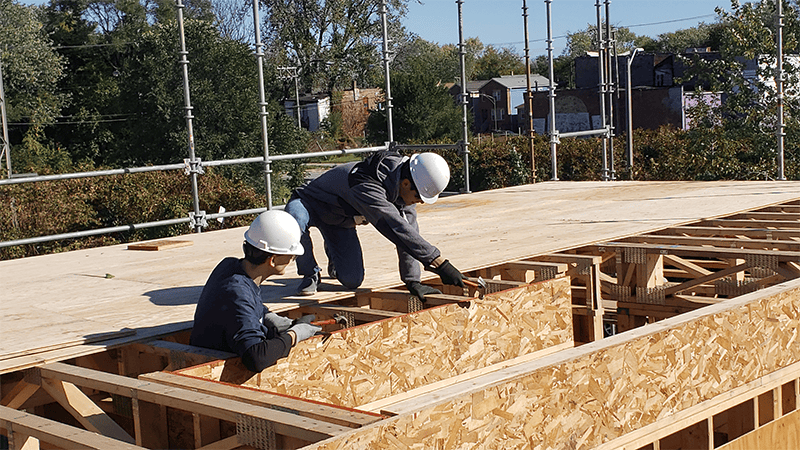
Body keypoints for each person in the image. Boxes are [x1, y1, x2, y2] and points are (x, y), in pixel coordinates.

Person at [285, 150, 466, 300]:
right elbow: (394, 227)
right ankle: (310, 274)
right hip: (308, 203)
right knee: (294, 220)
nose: (419, 203)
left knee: (352, 280)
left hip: (338, 220)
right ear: (405, 183)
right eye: (419, 198)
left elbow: (409, 233)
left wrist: (413, 281)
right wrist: (440, 263)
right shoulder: (366, 183)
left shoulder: (402, 190)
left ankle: (334, 255)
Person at [190, 210, 321, 372]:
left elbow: (243, 305)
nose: (292, 260)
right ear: (272, 260)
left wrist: (267, 316)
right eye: (291, 256)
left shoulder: (230, 266)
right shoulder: (238, 292)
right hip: (209, 371)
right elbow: (256, 357)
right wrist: (293, 335)